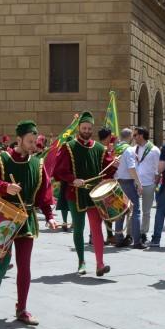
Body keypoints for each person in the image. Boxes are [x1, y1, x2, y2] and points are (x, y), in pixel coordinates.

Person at [0, 120, 58, 324]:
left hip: (26, 219)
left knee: (25, 266)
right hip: (3, 218)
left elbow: (44, 193)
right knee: (2, 263)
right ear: (19, 139)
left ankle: (21, 309)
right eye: (30, 141)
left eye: (35, 141)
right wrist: (5, 187)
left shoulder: (37, 164)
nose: (33, 145)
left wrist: (49, 216)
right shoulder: (1, 159)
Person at [53, 111, 113, 277]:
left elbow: (108, 169)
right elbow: (58, 171)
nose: (86, 130)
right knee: (78, 228)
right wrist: (73, 179)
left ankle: (100, 264)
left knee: (96, 229)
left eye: (89, 128)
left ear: (92, 129)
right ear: (79, 128)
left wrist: (111, 171)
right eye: (84, 127)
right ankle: (81, 261)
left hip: (95, 194)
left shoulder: (100, 148)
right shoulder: (69, 147)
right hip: (76, 193)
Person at [113, 127, 142, 248]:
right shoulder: (129, 150)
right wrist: (139, 183)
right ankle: (137, 241)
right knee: (135, 211)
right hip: (128, 182)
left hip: (117, 182)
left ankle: (118, 238)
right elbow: (131, 168)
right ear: (130, 137)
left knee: (120, 211)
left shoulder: (116, 149)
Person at [133, 127, 160, 243]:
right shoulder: (133, 149)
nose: (133, 138)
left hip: (149, 183)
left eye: (135, 135)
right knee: (132, 210)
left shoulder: (154, 150)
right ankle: (131, 233)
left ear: (141, 135)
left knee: (146, 211)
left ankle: (143, 233)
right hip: (134, 182)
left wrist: (155, 183)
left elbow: (158, 168)